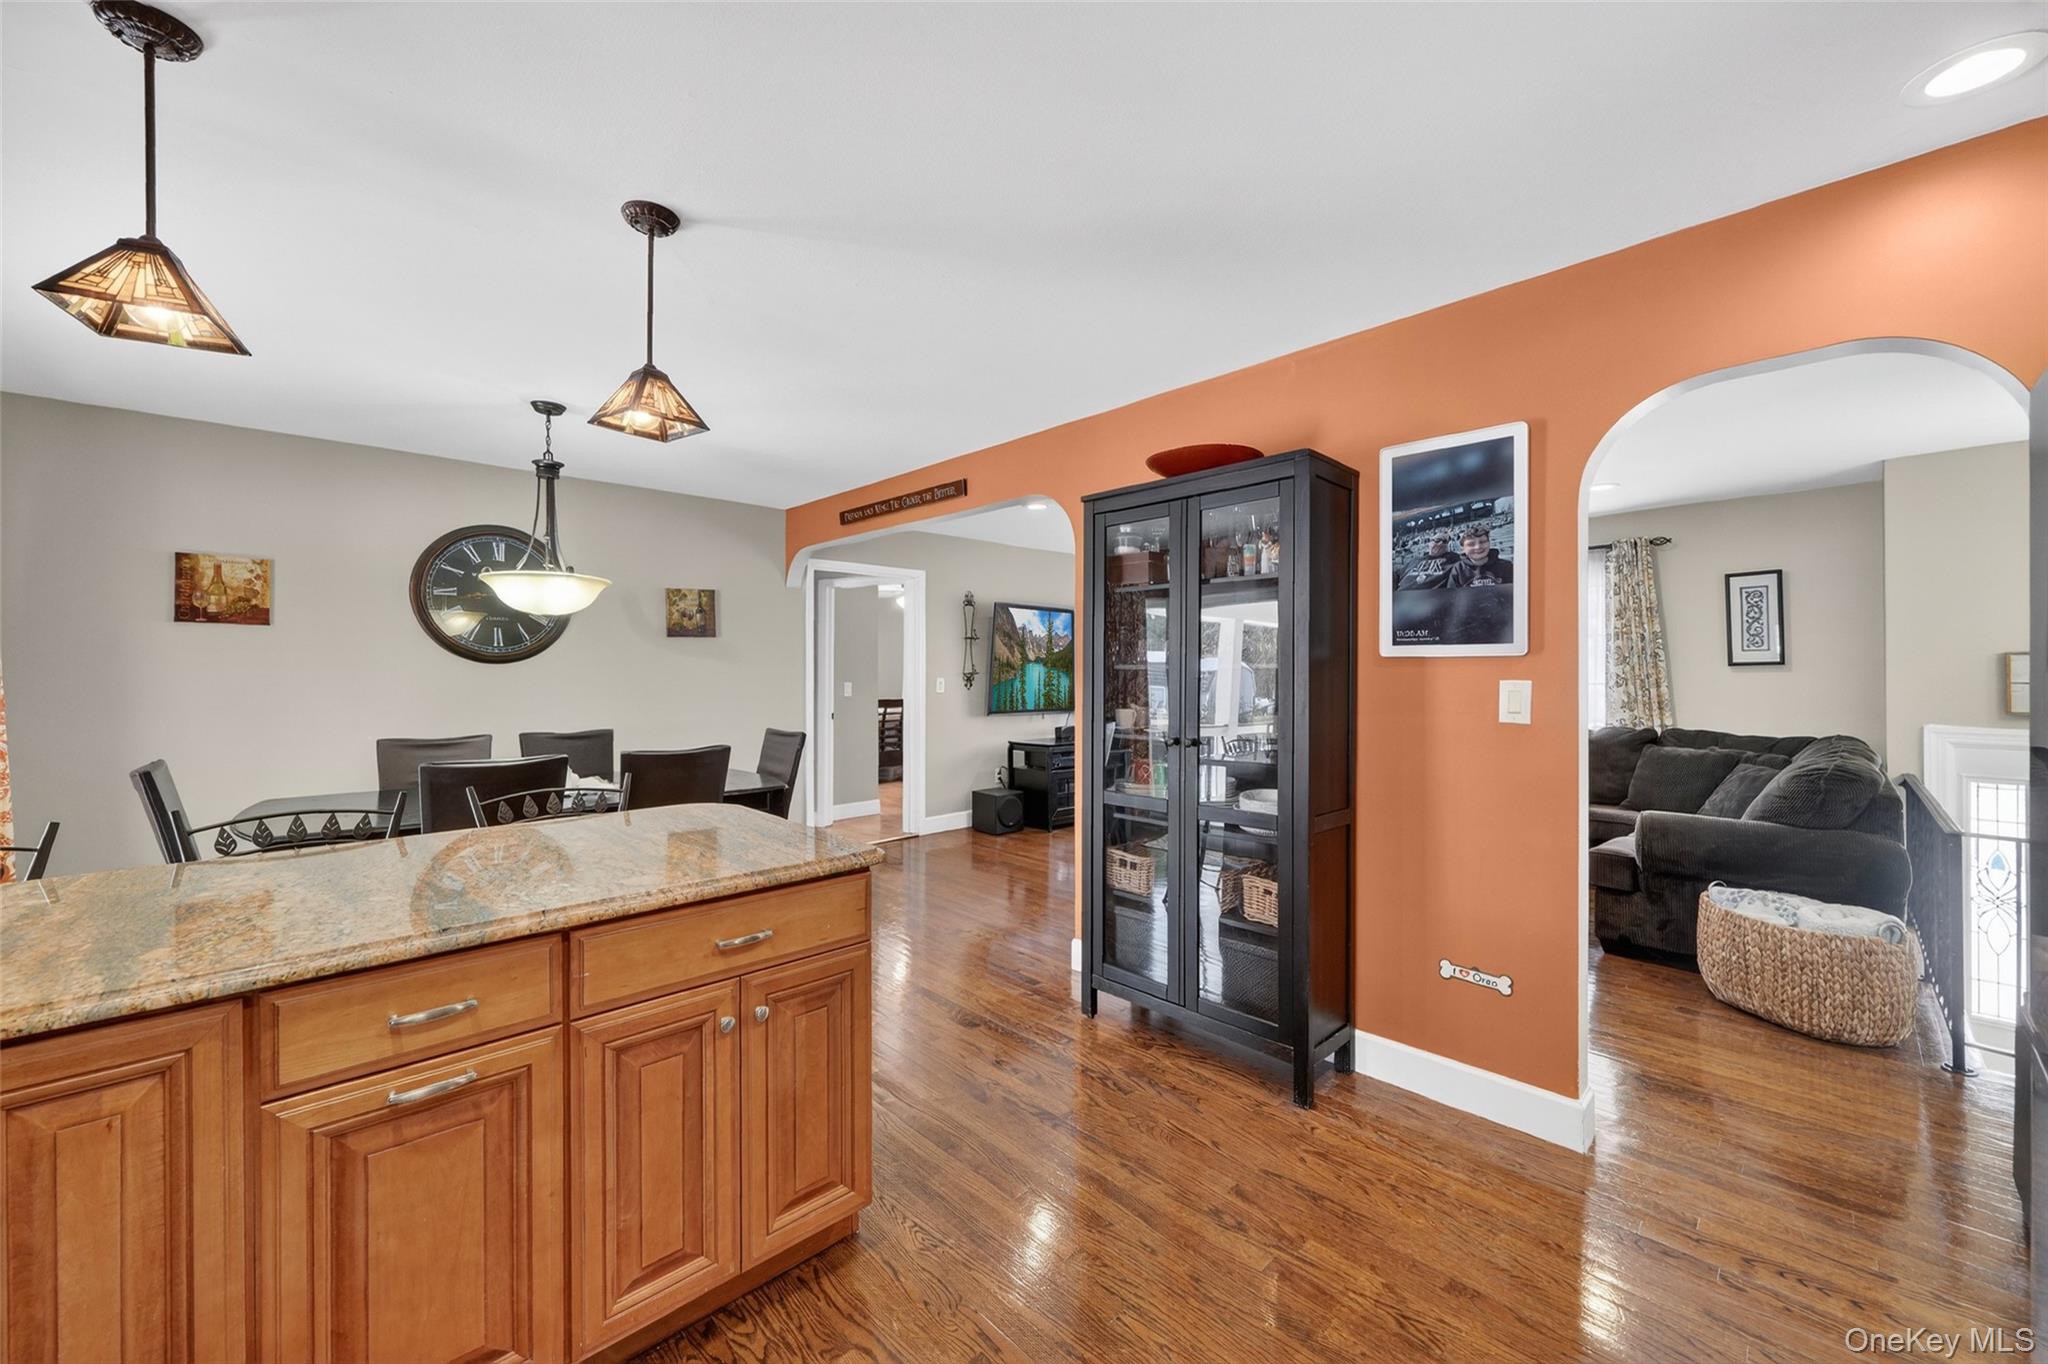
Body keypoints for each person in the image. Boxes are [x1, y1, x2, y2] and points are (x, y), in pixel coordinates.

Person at [1445, 525, 1513, 587]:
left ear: (1489, 543)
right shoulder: (1458, 569)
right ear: (1463, 549)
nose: (1478, 547)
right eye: (1471, 544)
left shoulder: (1506, 567)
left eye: (1482, 542)